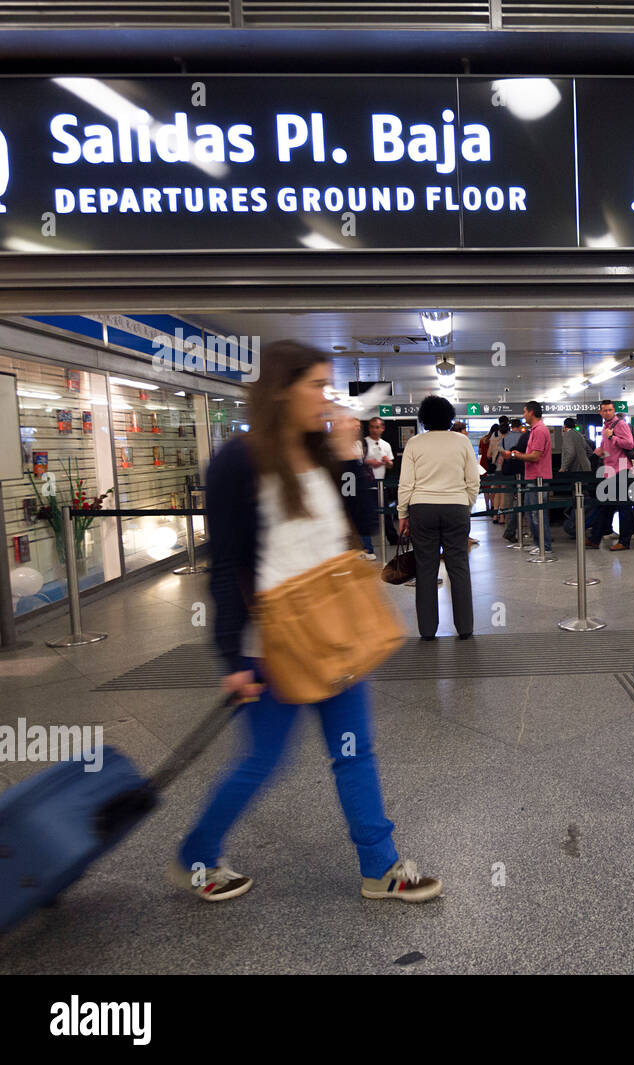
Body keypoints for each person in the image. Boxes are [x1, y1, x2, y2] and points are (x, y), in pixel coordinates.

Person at [171, 340, 441, 905]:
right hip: (273, 640)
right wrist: (235, 661)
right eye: (316, 385)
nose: (326, 397)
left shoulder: (319, 452)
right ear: (281, 389)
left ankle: (381, 867)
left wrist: (351, 459)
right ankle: (197, 856)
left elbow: (363, 525)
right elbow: (225, 569)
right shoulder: (237, 463)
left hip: (335, 627)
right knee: (264, 759)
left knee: (353, 750)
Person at [397, 395, 480, 641]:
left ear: (423, 419)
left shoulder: (414, 443)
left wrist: (403, 513)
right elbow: (473, 480)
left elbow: (406, 483)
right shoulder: (462, 442)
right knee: (459, 567)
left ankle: (427, 630)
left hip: (422, 509)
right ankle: (465, 628)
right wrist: (466, 503)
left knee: (425, 568)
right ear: (450, 417)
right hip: (456, 507)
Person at [505, 401, 554, 555]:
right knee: (531, 511)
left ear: (531, 412)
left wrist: (515, 455)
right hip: (532, 477)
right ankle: (537, 543)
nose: (524, 415)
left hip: (538, 478)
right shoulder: (534, 430)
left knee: (537, 513)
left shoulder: (539, 430)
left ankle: (545, 545)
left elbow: (535, 456)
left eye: (525, 412)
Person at [589, 398, 634, 551]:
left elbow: (629, 444)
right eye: (605, 410)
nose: (607, 412)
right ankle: (595, 538)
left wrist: (612, 437)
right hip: (610, 472)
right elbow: (605, 446)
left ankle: (625, 541)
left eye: (610, 410)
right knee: (604, 506)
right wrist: (598, 452)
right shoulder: (605, 427)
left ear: (613, 411)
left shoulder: (620, 424)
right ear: (600, 412)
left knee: (623, 507)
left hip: (622, 470)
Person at [356, 417, 393, 560]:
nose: (374, 429)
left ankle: (393, 538)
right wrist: (368, 462)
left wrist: (387, 462)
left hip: (381, 485)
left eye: (378, 427)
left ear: (382, 428)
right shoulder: (362, 443)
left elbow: (390, 464)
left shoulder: (386, 445)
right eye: (372, 427)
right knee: (364, 518)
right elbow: (356, 462)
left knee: (386, 516)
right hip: (365, 486)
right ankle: (367, 548)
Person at [499, 417, 526, 544]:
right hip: (522, 471)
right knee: (522, 500)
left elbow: (502, 454)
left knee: (510, 500)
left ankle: (509, 525)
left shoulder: (505, 439)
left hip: (509, 472)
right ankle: (521, 528)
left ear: (511, 427)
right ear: (520, 426)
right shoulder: (524, 437)